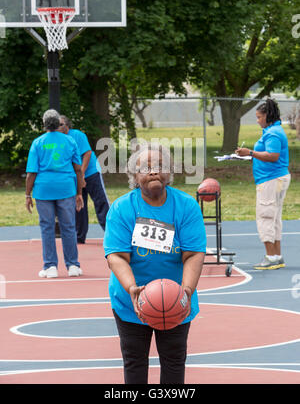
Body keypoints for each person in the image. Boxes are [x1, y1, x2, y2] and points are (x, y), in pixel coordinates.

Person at [103, 143, 206, 384]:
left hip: (175, 299)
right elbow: (116, 256)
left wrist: (187, 291)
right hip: (131, 300)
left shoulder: (186, 206)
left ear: (169, 172)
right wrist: (132, 289)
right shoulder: (122, 208)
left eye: (160, 166)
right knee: (135, 361)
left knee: (173, 361)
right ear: (134, 176)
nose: (153, 171)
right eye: (145, 167)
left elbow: (193, 254)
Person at [25, 109, 84, 278]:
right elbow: (78, 169)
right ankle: (73, 265)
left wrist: (27, 194)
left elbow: (31, 173)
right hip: (66, 188)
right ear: (59, 123)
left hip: (43, 189)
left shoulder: (37, 142)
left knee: (47, 227)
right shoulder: (70, 141)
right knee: (69, 227)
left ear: (44, 124)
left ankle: (50, 266)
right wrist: (79, 192)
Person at [235, 98, 290, 270]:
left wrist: (250, 152)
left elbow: (273, 156)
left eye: (259, 117)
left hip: (270, 180)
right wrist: (250, 155)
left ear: (268, 116)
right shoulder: (273, 130)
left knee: (265, 216)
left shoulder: (273, 133)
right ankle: (277, 256)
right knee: (274, 218)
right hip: (275, 178)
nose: (258, 120)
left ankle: (271, 257)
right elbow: (267, 154)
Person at [58, 115, 110, 243]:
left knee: (100, 202)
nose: (58, 127)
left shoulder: (77, 135)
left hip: (91, 173)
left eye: (61, 124)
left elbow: (87, 154)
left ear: (67, 125)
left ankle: (112, 234)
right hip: (75, 176)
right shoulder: (57, 140)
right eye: (56, 124)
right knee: (78, 205)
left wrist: (81, 174)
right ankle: (79, 236)